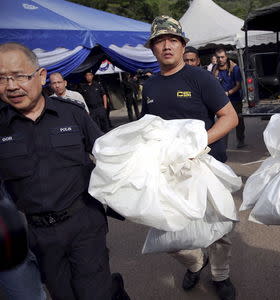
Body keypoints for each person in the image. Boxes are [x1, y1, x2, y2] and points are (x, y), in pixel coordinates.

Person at [0, 42, 129, 300]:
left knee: (93, 293)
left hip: (84, 222)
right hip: (39, 234)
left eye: (20, 76)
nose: (12, 86)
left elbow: (110, 155)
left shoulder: (73, 115)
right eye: (2, 79)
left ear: (41, 76)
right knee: (63, 295)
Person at [142, 16, 238, 300]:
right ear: (153, 49)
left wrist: (195, 144)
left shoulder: (201, 78)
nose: (166, 46)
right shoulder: (149, 86)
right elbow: (147, 129)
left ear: (183, 46)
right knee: (170, 234)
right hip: (168, 172)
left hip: (205, 167)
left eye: (173, 40)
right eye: (160, 41)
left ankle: (221, 276)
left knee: (219, 230)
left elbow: (229, 117)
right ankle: (196, 263)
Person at [212, 48, 245, 148]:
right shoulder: (214, 68)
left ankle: (241, 140)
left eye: (222, 57)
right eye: (218, 57)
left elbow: (239, 85)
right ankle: (223, 145)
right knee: (222, 123)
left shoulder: (234, 68)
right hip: (221, 101)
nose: (220, 59)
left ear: (226, 57)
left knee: (238, 120)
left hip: (235, 99)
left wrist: (228, 92)